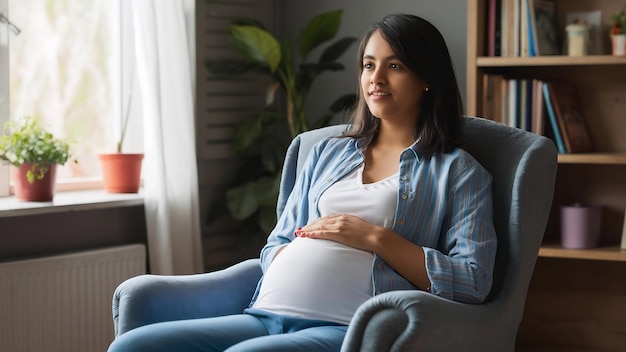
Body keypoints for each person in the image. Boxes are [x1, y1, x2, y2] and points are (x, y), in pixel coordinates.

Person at [108, 13, 497, 352]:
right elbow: (278, 240)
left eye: (394, 66)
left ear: (427, 77)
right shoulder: (328, 153)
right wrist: (295, 267)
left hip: (344, 328)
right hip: (265, 314)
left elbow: (474, 280)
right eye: (368, 64)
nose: (375, 79)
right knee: (133, 345)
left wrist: (375, 238)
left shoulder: (458, 172)